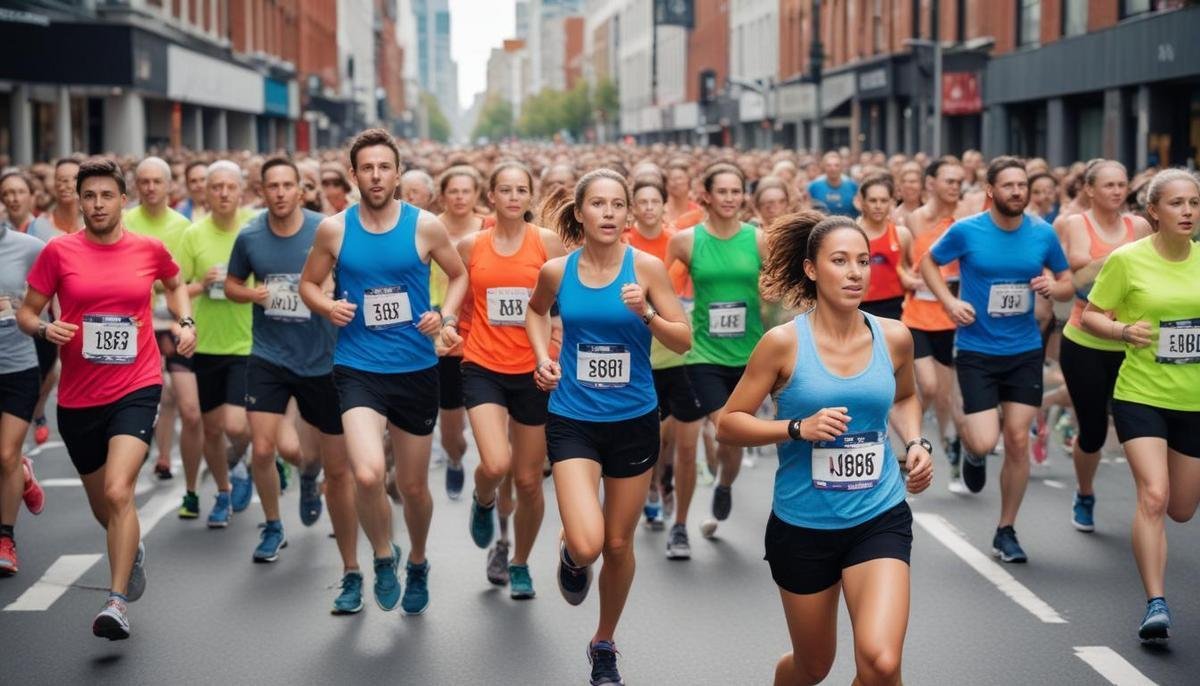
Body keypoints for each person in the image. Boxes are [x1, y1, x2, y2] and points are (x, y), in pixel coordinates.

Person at [716, 210, 932, 686]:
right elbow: (728, 425)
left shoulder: (893, 337)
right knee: (813, 666)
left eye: (862, 261)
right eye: (840, 261)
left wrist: (915, 441)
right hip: (803, 526)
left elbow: (907, 396)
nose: (855, 273)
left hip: (878, 515)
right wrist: (796, 428)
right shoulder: (782, 344)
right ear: (812, 269)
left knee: (880, 662)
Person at [16, 157, 196, 639]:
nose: (97, 204)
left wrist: (185, 322)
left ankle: (115, 603)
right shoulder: (58, 253)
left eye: (106, 196)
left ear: (123, 200)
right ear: (79, 200)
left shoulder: (149, 249)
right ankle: (129, 547)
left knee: (120, 491)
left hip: (136, 386)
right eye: (88, 196)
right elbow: (27, 313)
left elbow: (175, 284)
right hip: (77, 399)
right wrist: (44, 326)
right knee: (106, 506)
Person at [526, 169, 690, 686]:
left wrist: (646, 315)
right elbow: (535, 313)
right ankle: (572, 552)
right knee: (590, 542)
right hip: (573, 417)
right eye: (598, 204)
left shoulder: (647, 268)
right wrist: (541, 357)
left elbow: (683, 339)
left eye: (618, 204)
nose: (610, 213)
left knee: (619, 545)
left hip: (634, 419)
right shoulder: (557, 271)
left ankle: (603, 642)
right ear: (580, 213)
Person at [300, 128, 467, 615]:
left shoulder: (425, 226)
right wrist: (327, 306)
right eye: (366, 168)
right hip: (357, 368)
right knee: (368, 474)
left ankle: (416, 559)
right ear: (353, 176)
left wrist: (446, 317)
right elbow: (308, 284)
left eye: (384, 167)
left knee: (413, 487)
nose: (375, 176)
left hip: (415, 367)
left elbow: (459, 275)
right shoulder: (334, 229)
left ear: (397, 173)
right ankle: (380, 555)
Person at [919, 156, 1074, 564]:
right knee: (987, 440)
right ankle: (971, 452)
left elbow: (1067, 280)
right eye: (1008, 186)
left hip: (1023, 349)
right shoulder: (968, 231)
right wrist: (949, 300)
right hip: (976, 350)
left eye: (1022, 185)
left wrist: (1052, 287)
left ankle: (1006, 529)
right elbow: (929, 263)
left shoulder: (1041, 233)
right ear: (991, 191)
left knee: (1018, 439)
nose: (1017, 192)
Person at [223, 157, 361, 596]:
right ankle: (271, 525)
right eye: (273, 186)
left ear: (301, 191)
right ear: (262, 191)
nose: (281, 193)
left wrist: (337, 299)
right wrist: (253, 293)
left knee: (331, 463)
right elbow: (230, 285)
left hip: (322, 357)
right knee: (262, 448)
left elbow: (354, 278)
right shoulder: (249, 236)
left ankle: (310, 481)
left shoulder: (327, 230)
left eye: (288, 186)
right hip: (268, 355)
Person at [1081, 168, 1200, 644]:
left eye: (1193, 202)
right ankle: (1156, 602)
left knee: (1181, 509)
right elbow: (1090, 315)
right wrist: (1122, 331)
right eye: (1177, 203)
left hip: (1192, 400)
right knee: (1153, 495)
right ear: (1154, 211)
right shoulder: (1127, 261)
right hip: (1141, 395)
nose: (1188, 211)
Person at [461, 160, 565, 599]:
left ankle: (520, 562)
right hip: (482, 364)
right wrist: (451, 330)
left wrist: (554, 356)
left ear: (531, 197)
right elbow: (460, 303)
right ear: (492, 197)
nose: (514, 197)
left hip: (533, 370)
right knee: (496, 463)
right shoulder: (470, 246)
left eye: (521, 190)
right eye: (505, 190)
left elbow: (562, 306)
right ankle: (483, 499)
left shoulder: (547, 243)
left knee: (526, 480)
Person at [666, 162, 767, 551]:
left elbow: (775, 295)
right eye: (721, 191)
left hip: (751, 355)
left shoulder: (758, 240)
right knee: (724, 424)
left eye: (735, 191)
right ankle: (680, 525)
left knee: (733, 441)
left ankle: (724, 483)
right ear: (705, 195)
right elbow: (657, 283)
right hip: (704, 353)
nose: (729, 198)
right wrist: (669, 318)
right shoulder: (686, 241)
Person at [1058, 161, 1150, 531]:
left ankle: (1151, 499)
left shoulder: (1140, 226)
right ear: (1090, 189)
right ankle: (1084, 491)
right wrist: (1117, 260)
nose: (1116, 191)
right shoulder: (1074, 224)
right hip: (1086, 341)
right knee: (1094, 431)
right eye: (1108, 185)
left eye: (1122, 184)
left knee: (1140, 428)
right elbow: (1074, 277)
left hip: (1134, 342)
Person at [176, 160, 257, 525]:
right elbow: (175, 288)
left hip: (248, 341)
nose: (223, 193)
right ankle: (223, 492)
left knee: (237, 426)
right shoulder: (194, 234)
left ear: (241, 191)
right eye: (216, 187)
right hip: (207, 343)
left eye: (229, 186)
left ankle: (240, 462)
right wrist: (202, 284)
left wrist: (247, 290)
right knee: (210, 428)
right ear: (205, 192)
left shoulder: (255, 228)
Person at [626, 174, 703, 534]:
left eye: (653, 202)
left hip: (676, 350)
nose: (647, 208)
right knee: (653, 435)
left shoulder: (679, 243)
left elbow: (690, 291)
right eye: (640, 202)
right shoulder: (623, 245)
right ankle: (655, 487)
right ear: (632, 208)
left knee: (674, 437)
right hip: (639, 350)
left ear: (663, 206)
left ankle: (667, 484)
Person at [124, 157, 197, 481]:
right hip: (134, 324)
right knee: (151, 397)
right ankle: (160, 456)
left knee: (187, 405)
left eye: (157, 181)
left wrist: (185, 321)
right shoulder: (123, 221)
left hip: (172, 322)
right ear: (136, 186)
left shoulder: (183, 227)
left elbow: (184, 284)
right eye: (144, 181)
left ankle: (182, 468)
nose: (151, 187)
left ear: (169, 186)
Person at [901, 157, 967, 487]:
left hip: (953, 316)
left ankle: (950, 446)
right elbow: (900, 261)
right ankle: (913, 438)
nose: (956, 187)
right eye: (949, 181)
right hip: (917, 315)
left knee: (946, 396)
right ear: (931, 184)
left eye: (959, 181)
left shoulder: (966, 221)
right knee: (927, 385)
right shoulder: (912, 219)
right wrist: (907, 279)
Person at [432, 165, 485, 501]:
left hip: (485, 335)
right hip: (444, 337)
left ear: (477, 195)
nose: (460, 197)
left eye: (467, 191)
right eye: (454, 191)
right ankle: (454, 457)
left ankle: (496, 480)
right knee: (452, 430)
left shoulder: (490, 228)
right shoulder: (428, 229)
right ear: (443, 195)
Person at [0, 217, 47, 575]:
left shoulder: (29, 248)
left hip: (18, 366)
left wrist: (26, 310)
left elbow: (51, 294)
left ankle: (6, 539)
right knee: (6, 459)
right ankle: (24, 475)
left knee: (5, 453)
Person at [857, 174, 914, 320]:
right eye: (872, 200)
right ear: (862, 202)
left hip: (896, 305)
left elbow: (911, 268)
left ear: (891, 202)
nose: (878, 206)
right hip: (860, 305)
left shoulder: (902, 234)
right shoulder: (851, 235)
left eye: (883, 201)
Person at [29, 157, 83, 241]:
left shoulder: (93, 224)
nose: (69, 185)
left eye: (75, 178)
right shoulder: (39, 226)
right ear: (54, 184)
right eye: (61, 179)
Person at [807, 152, 859, 218]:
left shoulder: (852, 186)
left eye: (836, 165)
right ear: (823, 167)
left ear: (841, 167)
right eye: (829, 165)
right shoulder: (814, 186)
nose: (833, 168)